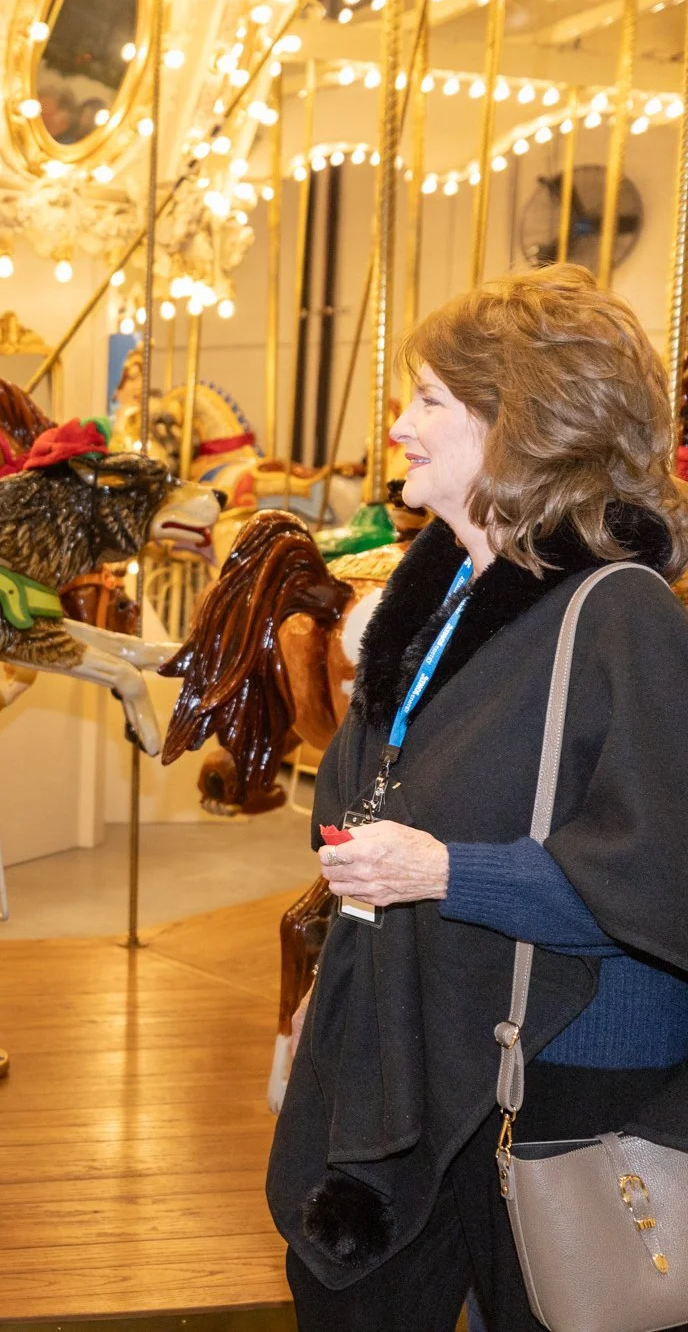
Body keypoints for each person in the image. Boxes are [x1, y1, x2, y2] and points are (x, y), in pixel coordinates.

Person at [269, 264, 688, 1329]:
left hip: (559, 1071)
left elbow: (657, 875)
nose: (398, 425)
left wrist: (445, 871)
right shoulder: (438, 592)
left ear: (523, 425)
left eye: (429, 400)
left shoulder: (619, 613)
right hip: (415, 1031)